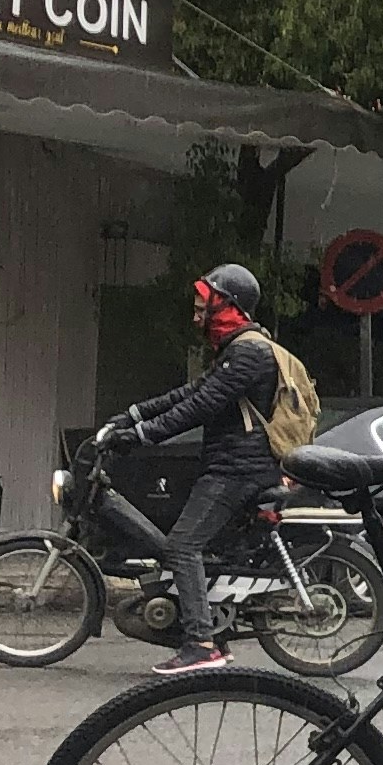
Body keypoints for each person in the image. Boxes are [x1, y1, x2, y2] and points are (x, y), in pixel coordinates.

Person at [99, 267, 290, 674]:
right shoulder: (236, 350)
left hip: (239, 470)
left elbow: (199, 408)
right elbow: (191, 392)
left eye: (204, 303)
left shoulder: (249, 353)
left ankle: (202, 644)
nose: (196, 313)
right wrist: (133, 415)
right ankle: (209, 624)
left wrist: (141, 435)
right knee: (194, 542)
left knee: (182, 546)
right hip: (231, 464)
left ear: (228, 304)